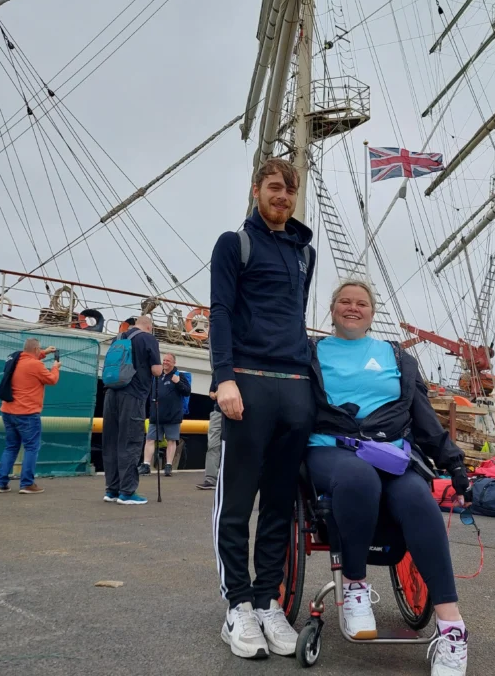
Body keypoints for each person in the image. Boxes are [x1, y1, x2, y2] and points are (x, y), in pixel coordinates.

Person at [306, 280, 471, 676]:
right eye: (344, 301)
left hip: (390, 450)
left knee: (418, 500)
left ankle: (451, 626)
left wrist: (454, 464)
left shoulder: (394, 355)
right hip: (331, 447)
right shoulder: (311, 351)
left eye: (360, 303)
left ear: (371, 312)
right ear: (332, 309)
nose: (352, 307)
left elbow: (423, 416)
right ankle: (356, 584)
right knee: (360, 479)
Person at [209, 157, 317, 660]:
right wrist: (224, 377)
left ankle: (267, 598)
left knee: (278, 504)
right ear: (256, 190)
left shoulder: (304, 253)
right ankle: (237, 606)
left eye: (290, 191)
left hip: (295, 385)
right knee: (237, 503)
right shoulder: (235, 244)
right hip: (248, 383)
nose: (283, 197)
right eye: (275, 188)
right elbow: (222, 311)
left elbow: (294, 316)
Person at [102, 314, 161, 505]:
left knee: (111, 441)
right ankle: (127, 492)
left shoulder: (118, 337)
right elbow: (157, 371)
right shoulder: (148, 338)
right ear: (149, 327)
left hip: (111, 392)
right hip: (133, 395)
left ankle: (112, 490)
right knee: (131, 441)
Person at [0, 338, 60, 494]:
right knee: (31, 448)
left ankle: (1, 483)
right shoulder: (36, 365)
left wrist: (44, 353)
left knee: (11, 447)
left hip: (8, 410)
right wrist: (56, 367)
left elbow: (30, 359)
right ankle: (27, 484)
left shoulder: (15, 359)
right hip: (27, 413)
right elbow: (52, 380)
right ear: (36, 349)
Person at [141, 353, 191, 477]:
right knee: (150, 439)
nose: (165, 362)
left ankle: (168, 466)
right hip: (156, 414)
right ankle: (146, 464)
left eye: (168, 360)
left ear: (174, 363)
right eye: (164, 360)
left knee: (171, 440)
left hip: (172, 415)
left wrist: (178, 382)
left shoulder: (180, 375)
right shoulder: (157, 376)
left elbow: (187, 391)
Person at [197, 388, 221, 491]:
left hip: (238, 411)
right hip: (218, 411)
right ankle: (210, 480)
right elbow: (212, 389)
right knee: (212, 445)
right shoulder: (216, 371)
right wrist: (212, 393)